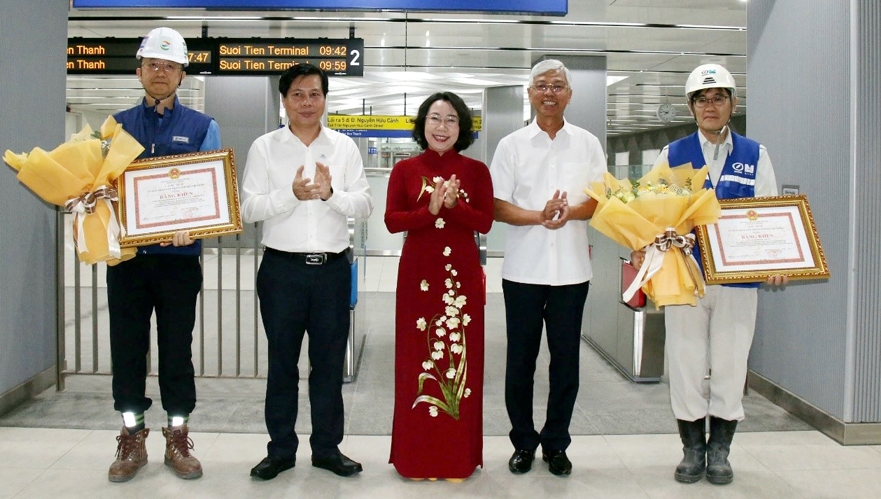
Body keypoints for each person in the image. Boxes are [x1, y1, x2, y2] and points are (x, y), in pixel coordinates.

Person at [636, 63, 787, 486]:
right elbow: (652, 212)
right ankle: (692, 449)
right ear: (691, 107)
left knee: (730, 362)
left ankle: (720, 450)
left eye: (719, 97)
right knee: (684, 361)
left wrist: (776, 262)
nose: (710, 106)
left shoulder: (755, 154)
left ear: (732, 104)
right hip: (685, 277)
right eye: (702, 99)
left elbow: (771, 214)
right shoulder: (673, 153)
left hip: (738, 282)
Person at [241, 62, 373, 481]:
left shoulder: (345, 148)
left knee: (329, 365)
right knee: (282, 363)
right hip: (282, 271)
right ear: (284, 100)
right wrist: (290, 195)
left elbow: (365, 205)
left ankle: (327, 448)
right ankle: (280, 450)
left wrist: (332, 195)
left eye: (314, 94)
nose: (306, 102)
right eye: (297, 94)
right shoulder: (265, 148)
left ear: (325, 99)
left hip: (332, 272)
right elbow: (248, 209)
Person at [106, 27, 221, 483]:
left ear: (181, 74)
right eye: (153, 64)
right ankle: (131, 438)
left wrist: (196, 223)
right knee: (127, 347)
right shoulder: (115, 126)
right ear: (139, 71)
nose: (160, 72)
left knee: (177, 349)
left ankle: (178, 436)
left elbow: (214, 196)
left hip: (178, 262)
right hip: (128, 262)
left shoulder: (201, 127)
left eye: (169, 66)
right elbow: (102, 187)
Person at [489, 59, 607, 476]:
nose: (550, 92)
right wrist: (539, 216)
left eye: (558, 85)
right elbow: (497, 206)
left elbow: (600, 201)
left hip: (572, 273)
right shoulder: (512, 145)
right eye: (542, 86)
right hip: (522, 272)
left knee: (566, 363)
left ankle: (556, 443)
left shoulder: (588, 143)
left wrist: (568, 212)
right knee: (520, 362)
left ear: (569, 95)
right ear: (530, 93)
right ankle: (523, 441)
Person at [385, 92, 494, 480]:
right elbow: (393, 221)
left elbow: (484, 222)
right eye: (435, 118)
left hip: (460, 278)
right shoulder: (405, 169)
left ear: (461, 127)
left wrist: (453, 206)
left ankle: (455, 459)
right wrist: (428, 210)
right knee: (417, 358)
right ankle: (417, 459)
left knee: (461, 359)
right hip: (418, 275)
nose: (442, 127)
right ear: (422, 124)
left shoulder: (476, 170)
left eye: (451, 119)